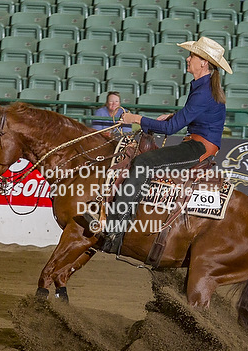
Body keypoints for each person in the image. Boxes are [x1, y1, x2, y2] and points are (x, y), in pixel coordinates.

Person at [83, 36, 232, 254]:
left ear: (204, 62)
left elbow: (170, 129)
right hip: (197, 144)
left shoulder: (203, 92)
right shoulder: (205, 87)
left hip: (198, 148)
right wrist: (174, 115)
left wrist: (136, 119)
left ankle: (113, 228)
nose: (188, 59)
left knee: (143, 163)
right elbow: (198, 117)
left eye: (192, 55)